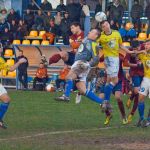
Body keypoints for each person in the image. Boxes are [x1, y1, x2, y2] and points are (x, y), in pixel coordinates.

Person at [55, 29, 110, 112]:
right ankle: (103, 103)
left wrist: (87, 64)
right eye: (90, 31)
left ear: (95, 36)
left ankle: (66, 96)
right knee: (83, 90)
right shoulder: (87, 39)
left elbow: (96, 59)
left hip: (81, 64)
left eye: (92, 32)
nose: (89, 32)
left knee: (68, 78)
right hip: (80, 64)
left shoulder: (94, 44)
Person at [97, 20, 134, 110]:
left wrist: (128, 51)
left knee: (109, 81)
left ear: (109, 24)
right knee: (115, 80)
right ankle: (106, 101)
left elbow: (120, 45)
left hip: (115, 58)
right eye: (104, 26)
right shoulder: (101, 36)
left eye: (106, 24)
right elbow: (95, 45)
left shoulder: (116, 33)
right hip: (109, 59)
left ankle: (105, 103)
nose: (106, 26)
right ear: (102, 28)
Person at [99, 53, 128, 125]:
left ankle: (124, 116)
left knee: (118, 97)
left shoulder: (120, 55)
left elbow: (125, 62)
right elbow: (100, 60)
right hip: (107, 80)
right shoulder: (106, 53)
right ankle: (108, 114)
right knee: (100, 99)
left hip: (118, 80)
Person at [0, 56, 27, 128]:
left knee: (6, 99)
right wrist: (19, 62)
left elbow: (11, 69)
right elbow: (11, 69)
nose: (1, 49)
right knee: (6, 100)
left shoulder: (1, 59)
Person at [134, 42, 150, 127]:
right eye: (146, 45)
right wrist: (141, 51)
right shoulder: (143, 55)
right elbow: (134, 54)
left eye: (148, 44)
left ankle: (148, 120)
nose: (146, 46)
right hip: (146, 79)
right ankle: (141, 118)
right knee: (140, 98)